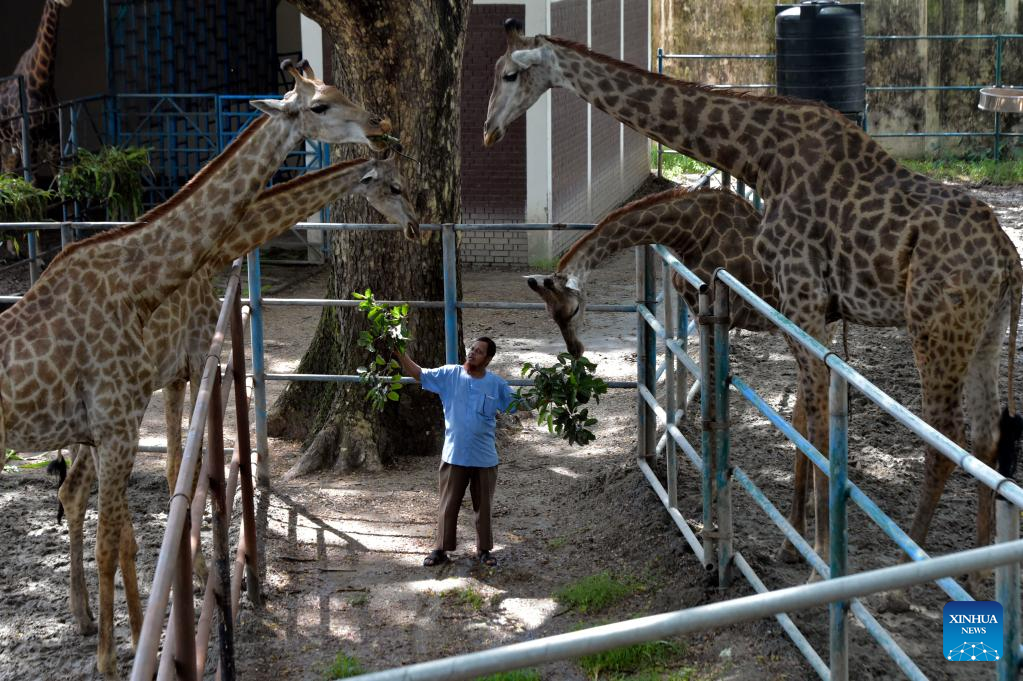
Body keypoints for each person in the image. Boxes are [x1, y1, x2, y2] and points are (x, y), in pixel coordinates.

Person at [397, 337, 515, 567]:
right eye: (472, 349)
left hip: (485, 458)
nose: (472, 353)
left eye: (479, 352)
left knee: (484, 507)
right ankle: (440, 549)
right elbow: (419, 373)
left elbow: (518, 405)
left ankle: (484, 550)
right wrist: (400, 353)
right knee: (448, 504)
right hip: (454, 455)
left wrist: (551, 395)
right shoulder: (449, 375)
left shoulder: (496, 384)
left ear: (488, 359)